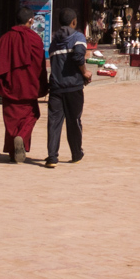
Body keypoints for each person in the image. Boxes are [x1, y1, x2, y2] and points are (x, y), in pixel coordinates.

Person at [0, 6, 46, 164]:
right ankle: (21, 137)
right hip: (28, 85)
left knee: (11, 119)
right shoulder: (35, 39)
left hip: (9, 86)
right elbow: (40, 64)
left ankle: (12, 153)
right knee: (32, 114)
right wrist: (42, 83)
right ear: (31, 20)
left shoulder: (4, 39)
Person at [44, 11, 91, 168]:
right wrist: (85, 72)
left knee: (54, 122)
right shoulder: (78, 37)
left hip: (56, 87)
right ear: (74, 22)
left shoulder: (53, 42)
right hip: (73, 87)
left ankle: (52, 157)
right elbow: (78, 57)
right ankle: (76, 154)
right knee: (74, 121)